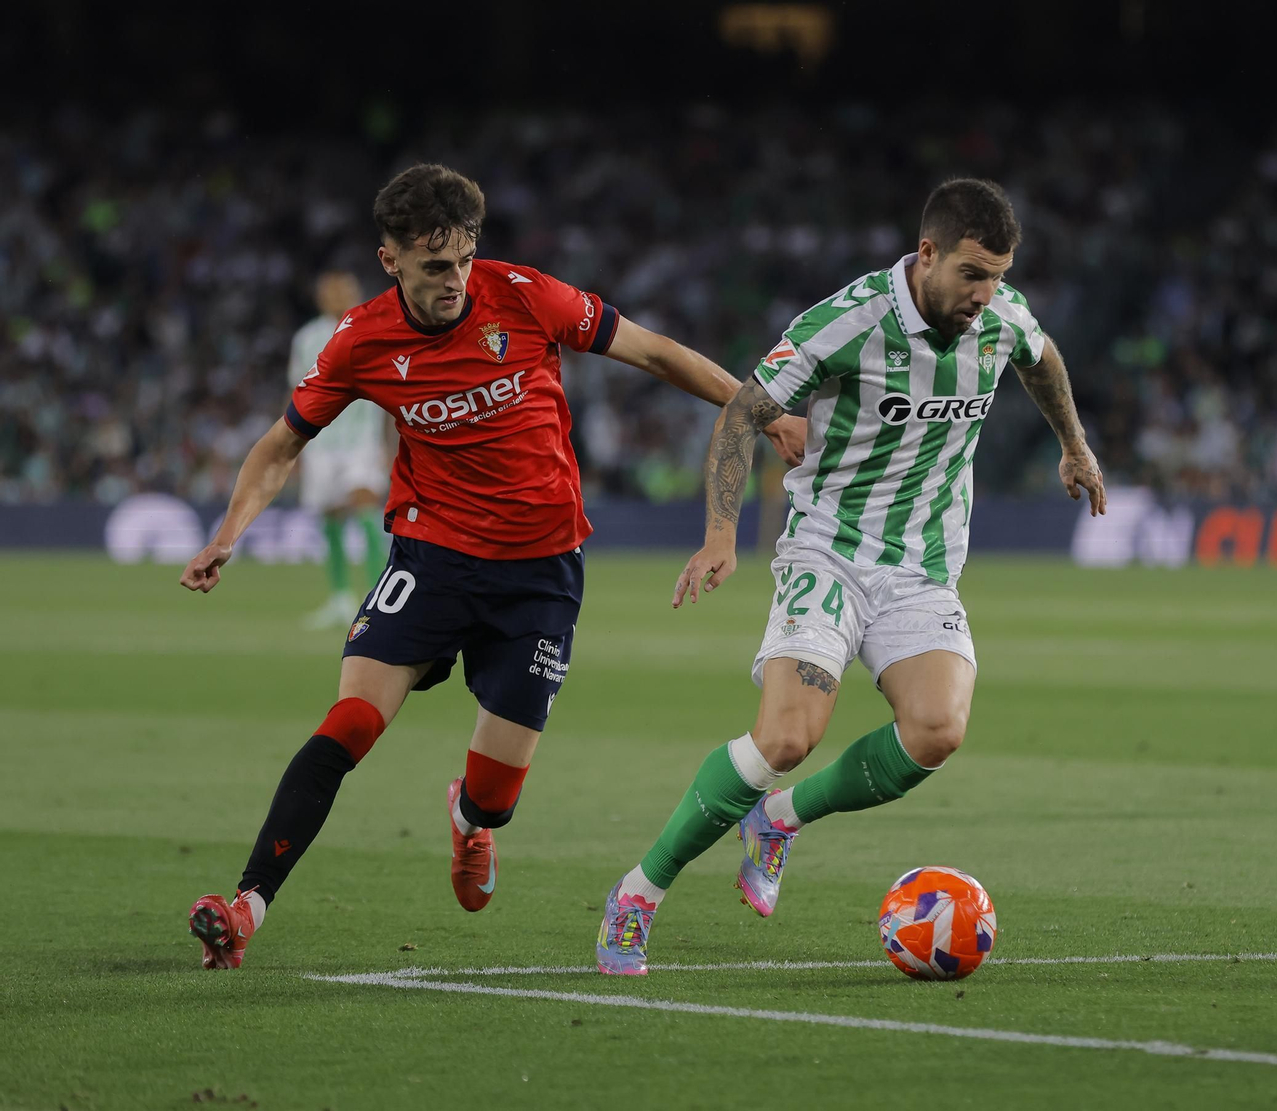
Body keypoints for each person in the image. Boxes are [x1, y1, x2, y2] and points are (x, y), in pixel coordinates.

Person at [179, 163, 806, 969]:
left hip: (540, 574)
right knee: (350, 722)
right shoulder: (362, 340)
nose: (455, 280)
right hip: (432, 556)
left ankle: (469, 821)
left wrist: (762, 410)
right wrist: (228, 531)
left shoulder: (525, 295)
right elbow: (279, 445)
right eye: (435, 265)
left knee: (494, 794)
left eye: (465, 259)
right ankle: (246, 905)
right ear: (390, 260)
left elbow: (654, 353)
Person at [594, 178, 1107, 975]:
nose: (985, 294)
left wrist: (1073, 443)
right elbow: (743, 411)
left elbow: (1042, 361)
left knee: (937, 730)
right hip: (827, 551)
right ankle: (638, 893)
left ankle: (779, 820)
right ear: (927, 253)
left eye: (998, 276)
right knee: (785, 737)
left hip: (924, 567)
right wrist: (722, 532)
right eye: (972, 273)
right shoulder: (849, 321)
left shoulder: (1001, 318)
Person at [286, 270, 392, 629]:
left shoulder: (374, 329)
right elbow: (297, 393)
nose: (337, 297)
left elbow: (390, 392)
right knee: (331, 516)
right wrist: (294, 447)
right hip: (321, 444)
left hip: (362, 441)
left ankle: (379, 597)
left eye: (344, 291)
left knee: (365, 508)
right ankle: (340, 597)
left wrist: (389, 445)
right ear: (320, 297)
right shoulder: (306, 338)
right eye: (331, 292)